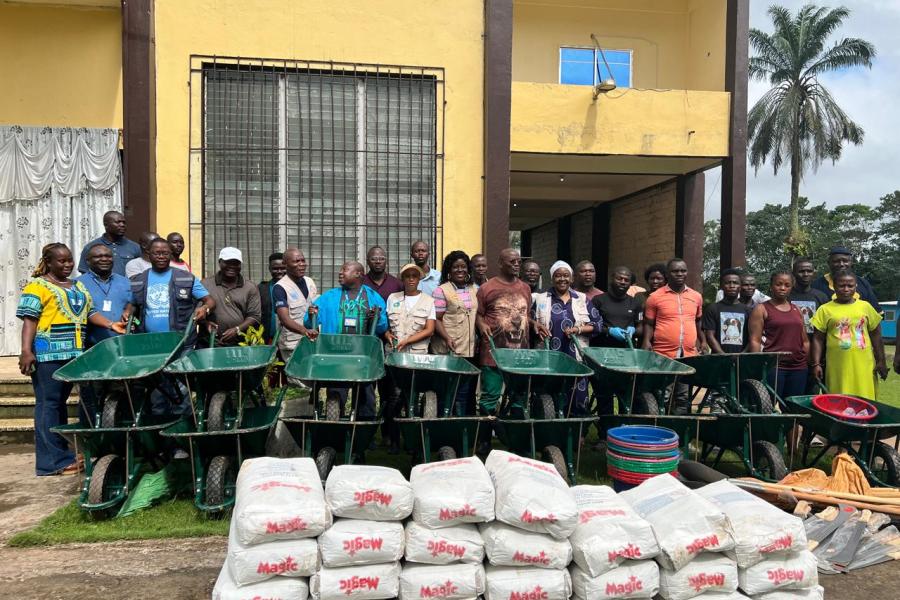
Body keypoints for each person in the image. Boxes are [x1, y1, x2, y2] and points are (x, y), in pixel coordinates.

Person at [17, 243, 125, 475]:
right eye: (61, 261)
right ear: (48, 261)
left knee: (60, 406)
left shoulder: (77, 285)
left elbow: (90, 313)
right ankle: (50, 463)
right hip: (48, 356)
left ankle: (62, 455)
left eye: (70, 260)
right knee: (48, 405)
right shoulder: (38, 286)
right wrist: (26, 351)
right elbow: (29, 320)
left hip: (74, 355)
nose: (67, 265)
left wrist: (110, 324)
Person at [306, 261, 388, 419]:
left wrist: (375, 319)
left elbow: (383, 327)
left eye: (345, 269)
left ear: (358, 274)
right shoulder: (329, 297)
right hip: (336, 355)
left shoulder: (373, 297)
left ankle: (363, 436)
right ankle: (335, 435)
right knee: (336, 392)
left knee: (365, 396)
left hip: (363, 356)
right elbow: (310, 323)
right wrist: (311, 315)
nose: (340, 272)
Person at [476, 248, 547, 422]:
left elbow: (525, 315)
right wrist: (481, 324)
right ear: (500, 264)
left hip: (520, 355)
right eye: (512, 262)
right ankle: (484, 440)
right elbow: (478, 314)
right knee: (490, 397)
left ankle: (516, 439)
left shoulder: (525, 288)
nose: (516, 265)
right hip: (493, 354)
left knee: (519, 398)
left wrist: (534, 323)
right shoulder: (487, 288)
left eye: (518, 262)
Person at [532, 261, 601, 416]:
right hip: (549, 355)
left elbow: (597, 324)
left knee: (578, 392)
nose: (562, 279)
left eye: (565, 276)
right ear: (552, 278)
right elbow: (529, 320)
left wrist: (578, 329)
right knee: (549, 392)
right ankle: (552, 429)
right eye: (558, 276)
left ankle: (579, 432)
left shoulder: (582, 299)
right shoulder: (541, 299)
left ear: (571, 279)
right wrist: (535, 323)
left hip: (575, 354)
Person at [810, 270, 888, 400]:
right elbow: (818, 339)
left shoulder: (865, 307)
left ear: (855, 286)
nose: (846, 289)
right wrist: (816, 364)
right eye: (841, 285)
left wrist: (881, 361)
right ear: (834, 286)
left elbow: (876, 336)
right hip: (837, 366)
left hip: (864, 365)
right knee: (838, 401)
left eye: (850, 285)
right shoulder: (825, 309)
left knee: (865, 401)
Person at [641, 258, 704, 414]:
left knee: (683, 396)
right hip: (663, 354)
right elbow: (648, 323)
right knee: (663, 394)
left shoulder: (696, 296)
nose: (680, 274)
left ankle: (679, 431)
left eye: (683, 271)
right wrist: (646, 341)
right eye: (675, 271)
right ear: (668, 274)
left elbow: (697, 321)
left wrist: (702, 341)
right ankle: (661, 429)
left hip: (688, 354)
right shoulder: (655, 297)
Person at [748, 271, 809, 400]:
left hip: (798, 367)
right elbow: (755, 340)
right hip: (773, 367)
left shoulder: (796, 309)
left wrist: (806, 361)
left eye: (787, 285)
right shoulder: (761, 309)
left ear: (791, 287)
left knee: (794, 407)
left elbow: (805, 340)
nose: (782, 288)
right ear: (771, 286)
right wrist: (756, 366)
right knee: (768, 405)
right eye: (778, 284)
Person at [432, 250, 479, 415]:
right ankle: (443, 423)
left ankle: (460, 427)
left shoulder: (474, 289)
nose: (460, 270)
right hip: (448, 349)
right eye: (455, 267)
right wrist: (446, 337)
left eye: (463, 267)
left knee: (464, 392)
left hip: (468, 349)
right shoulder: (441, 290)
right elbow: (436, 319)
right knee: (447, 391)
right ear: (449, 271)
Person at [201, 247, 261, 347]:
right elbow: (196, 312)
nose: (232, 266)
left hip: (239, 344)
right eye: (228, 262)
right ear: (220, 262)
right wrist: (205, 323)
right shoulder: (205, 284)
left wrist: (237, 329)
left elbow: (255, 316)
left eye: (236, 263)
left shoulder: (250, 287)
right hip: (209, 343)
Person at [77, 242, 133, 347]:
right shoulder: (77, 284)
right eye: (98, 256)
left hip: (121, 344)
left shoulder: (125, 282)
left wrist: (128, 310)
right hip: (90, 346)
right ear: (88, 261)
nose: (104, 259)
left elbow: (132, 303)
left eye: (108, 256)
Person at [274, 248, 319, 363]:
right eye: (296, 261)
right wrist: (305, 331)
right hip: (292, 344)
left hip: (312, 342)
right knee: (298, 379)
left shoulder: (309, 282)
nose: (302, 264)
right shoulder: (280, 287)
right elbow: (284, 319)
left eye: (303, 260)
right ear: (285, 264)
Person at [811, 246, 880, 309]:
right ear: (829, 263)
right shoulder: (817, 285)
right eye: (836, 261)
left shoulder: (863, 283)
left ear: (851, 262)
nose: (841, 264)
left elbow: (874, 313)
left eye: (845, 261)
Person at [77, 210, 141, 276]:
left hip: (127, 285)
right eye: (118, 222)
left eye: (124, 222)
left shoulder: (135, 247)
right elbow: (84, 272)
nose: (122, 225)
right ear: (106, 224)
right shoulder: (91, 247)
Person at [703, 268, 751, 355]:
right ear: (722, 286)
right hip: (718, 360)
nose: (732, 286)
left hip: (742, 361)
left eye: (735, 283)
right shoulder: (713, 308)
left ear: (740, 286)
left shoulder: (748, 311)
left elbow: (753, 337)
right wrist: (723, 355)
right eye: (728, 283)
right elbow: (710, 336)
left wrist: (742, 355)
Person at [592, 266, 641, 349]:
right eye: (619, 278)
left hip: (627, 350)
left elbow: (641, 327)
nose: (623, 282)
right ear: (612, 279)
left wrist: (634, 330)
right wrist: (609, 331)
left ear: (630, 284)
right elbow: (591, 325)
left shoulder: (635, 303)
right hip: (602, 349)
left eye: (626, 280)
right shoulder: (598, 300)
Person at [790, 257, 830, 336]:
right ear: (793, 273)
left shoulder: (821, 297)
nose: (806, 274)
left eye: (809, 271)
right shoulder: (785, 296)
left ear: (814, 274)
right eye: (801, 271)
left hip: (815, 344)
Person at [258, 252, 286, 344]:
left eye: (283, 268)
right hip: (268, 340)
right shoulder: (262, 288)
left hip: (289, 340)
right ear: (269, 269)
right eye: (275, 268)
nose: (279, 271)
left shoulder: (294, 287)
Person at [634, 262, 667, 327]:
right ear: (647, 280)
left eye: (659, 278)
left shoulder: (668, 297)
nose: (655, 281)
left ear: (665, 280)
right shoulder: (640, 296)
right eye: (652, 278)